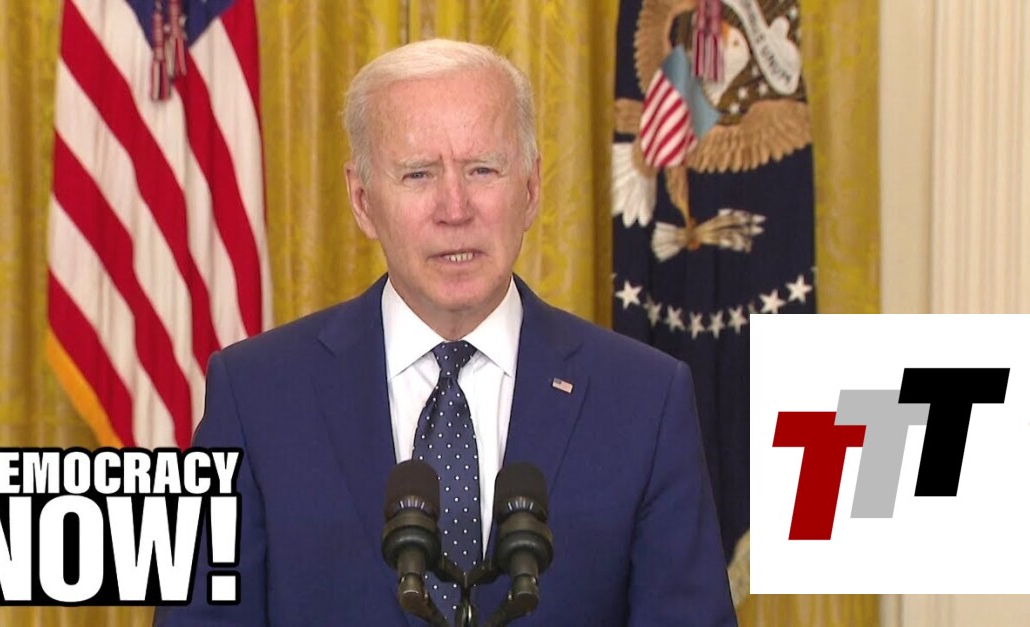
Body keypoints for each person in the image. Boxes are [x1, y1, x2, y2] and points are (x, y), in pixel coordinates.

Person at [155, 39, 735, 626]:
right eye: (418, 174)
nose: (455, 208)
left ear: (531, 188)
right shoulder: (253, 395)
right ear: (362, 200)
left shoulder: (645, 399)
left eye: (483, 169)